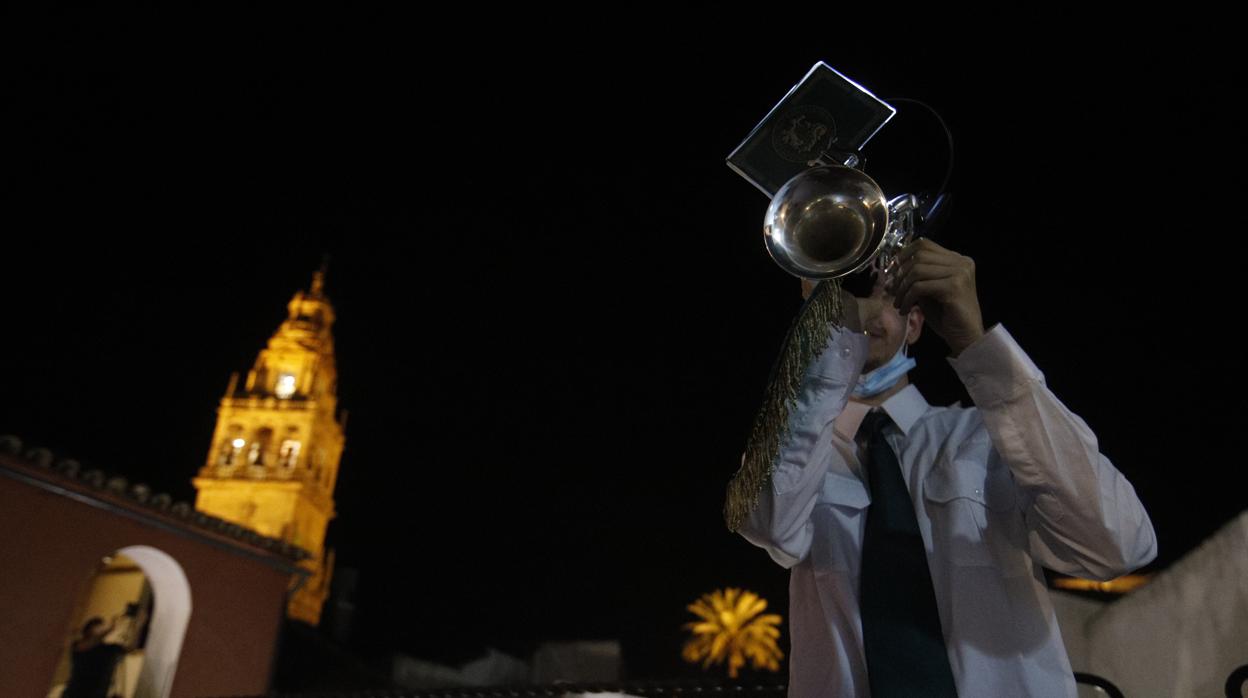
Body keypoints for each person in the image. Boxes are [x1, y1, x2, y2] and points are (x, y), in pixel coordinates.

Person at [728, 239, 1156, 696]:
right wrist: (829, 347)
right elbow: (768, 523)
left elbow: (1117, 544)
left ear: (915, 320)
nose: (861, 303)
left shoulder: (989, 434)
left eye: (878, 287)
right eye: (839, 291)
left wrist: (975, 343)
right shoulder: (800, 451)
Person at [62, 615, 127, 698]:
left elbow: (127, 649)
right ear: (89, 630)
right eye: (100, 626)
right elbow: (90, 643)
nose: (103, 628)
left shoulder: (109, 649)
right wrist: (108, 629)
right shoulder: (79, 646)